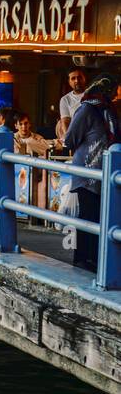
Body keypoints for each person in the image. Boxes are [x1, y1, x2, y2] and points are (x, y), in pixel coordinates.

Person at [61, 74, 120, 271]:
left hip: (104, 173)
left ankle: (95, 258)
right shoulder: (87, 109)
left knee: (100, 216)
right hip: (87, 172)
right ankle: (82, 259)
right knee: (88, 215)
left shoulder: (108, 111)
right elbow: (69, 140)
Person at [57, 68, 88, 139]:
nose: (77, 81)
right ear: (69, 82)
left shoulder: (93, 94)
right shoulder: (65, 99)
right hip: (76, 136)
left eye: (79, 77)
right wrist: (69, 139)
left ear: (84, 78)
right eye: (73, 78)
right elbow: (65, 122)